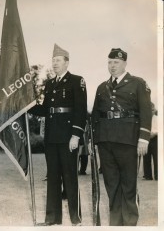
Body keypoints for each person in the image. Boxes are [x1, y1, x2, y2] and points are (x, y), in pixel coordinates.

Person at [92, 48, 152, 226]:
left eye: (116, 62)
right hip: (106, 140)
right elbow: (95, 115)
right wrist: (94, 140)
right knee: (111, 184)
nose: (112, 66)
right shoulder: (102, 87)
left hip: (128, 140)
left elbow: (145, 112)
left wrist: (144, 138)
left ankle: (130, 222)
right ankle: (116, 223)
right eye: (110, 62)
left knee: (128, 184)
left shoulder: (137, 83)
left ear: (125, 63)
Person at [30, 44, 87, 226]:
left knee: (70, 176)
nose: (54, 63)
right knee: (53, 177)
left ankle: (75, 218)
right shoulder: (50, 84)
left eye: (58, 60)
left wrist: (76, 136)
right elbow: (46, 110)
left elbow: (80, 110)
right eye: (53, 60)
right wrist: (27, 106)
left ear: (66, 62)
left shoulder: (77, 81)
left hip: (68, 136)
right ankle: (52, 218)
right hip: (52, 137)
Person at [143, 103, 158, 180]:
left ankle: (158, 175)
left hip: (156, 138)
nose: (151, 111)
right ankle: (147, 175)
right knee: (146, 156)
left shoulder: (158, 118)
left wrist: (155, 133)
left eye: (152, 109)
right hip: (147, 138)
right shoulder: (145, 118)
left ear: (154, 109)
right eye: (149, 109)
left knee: (157, 157)